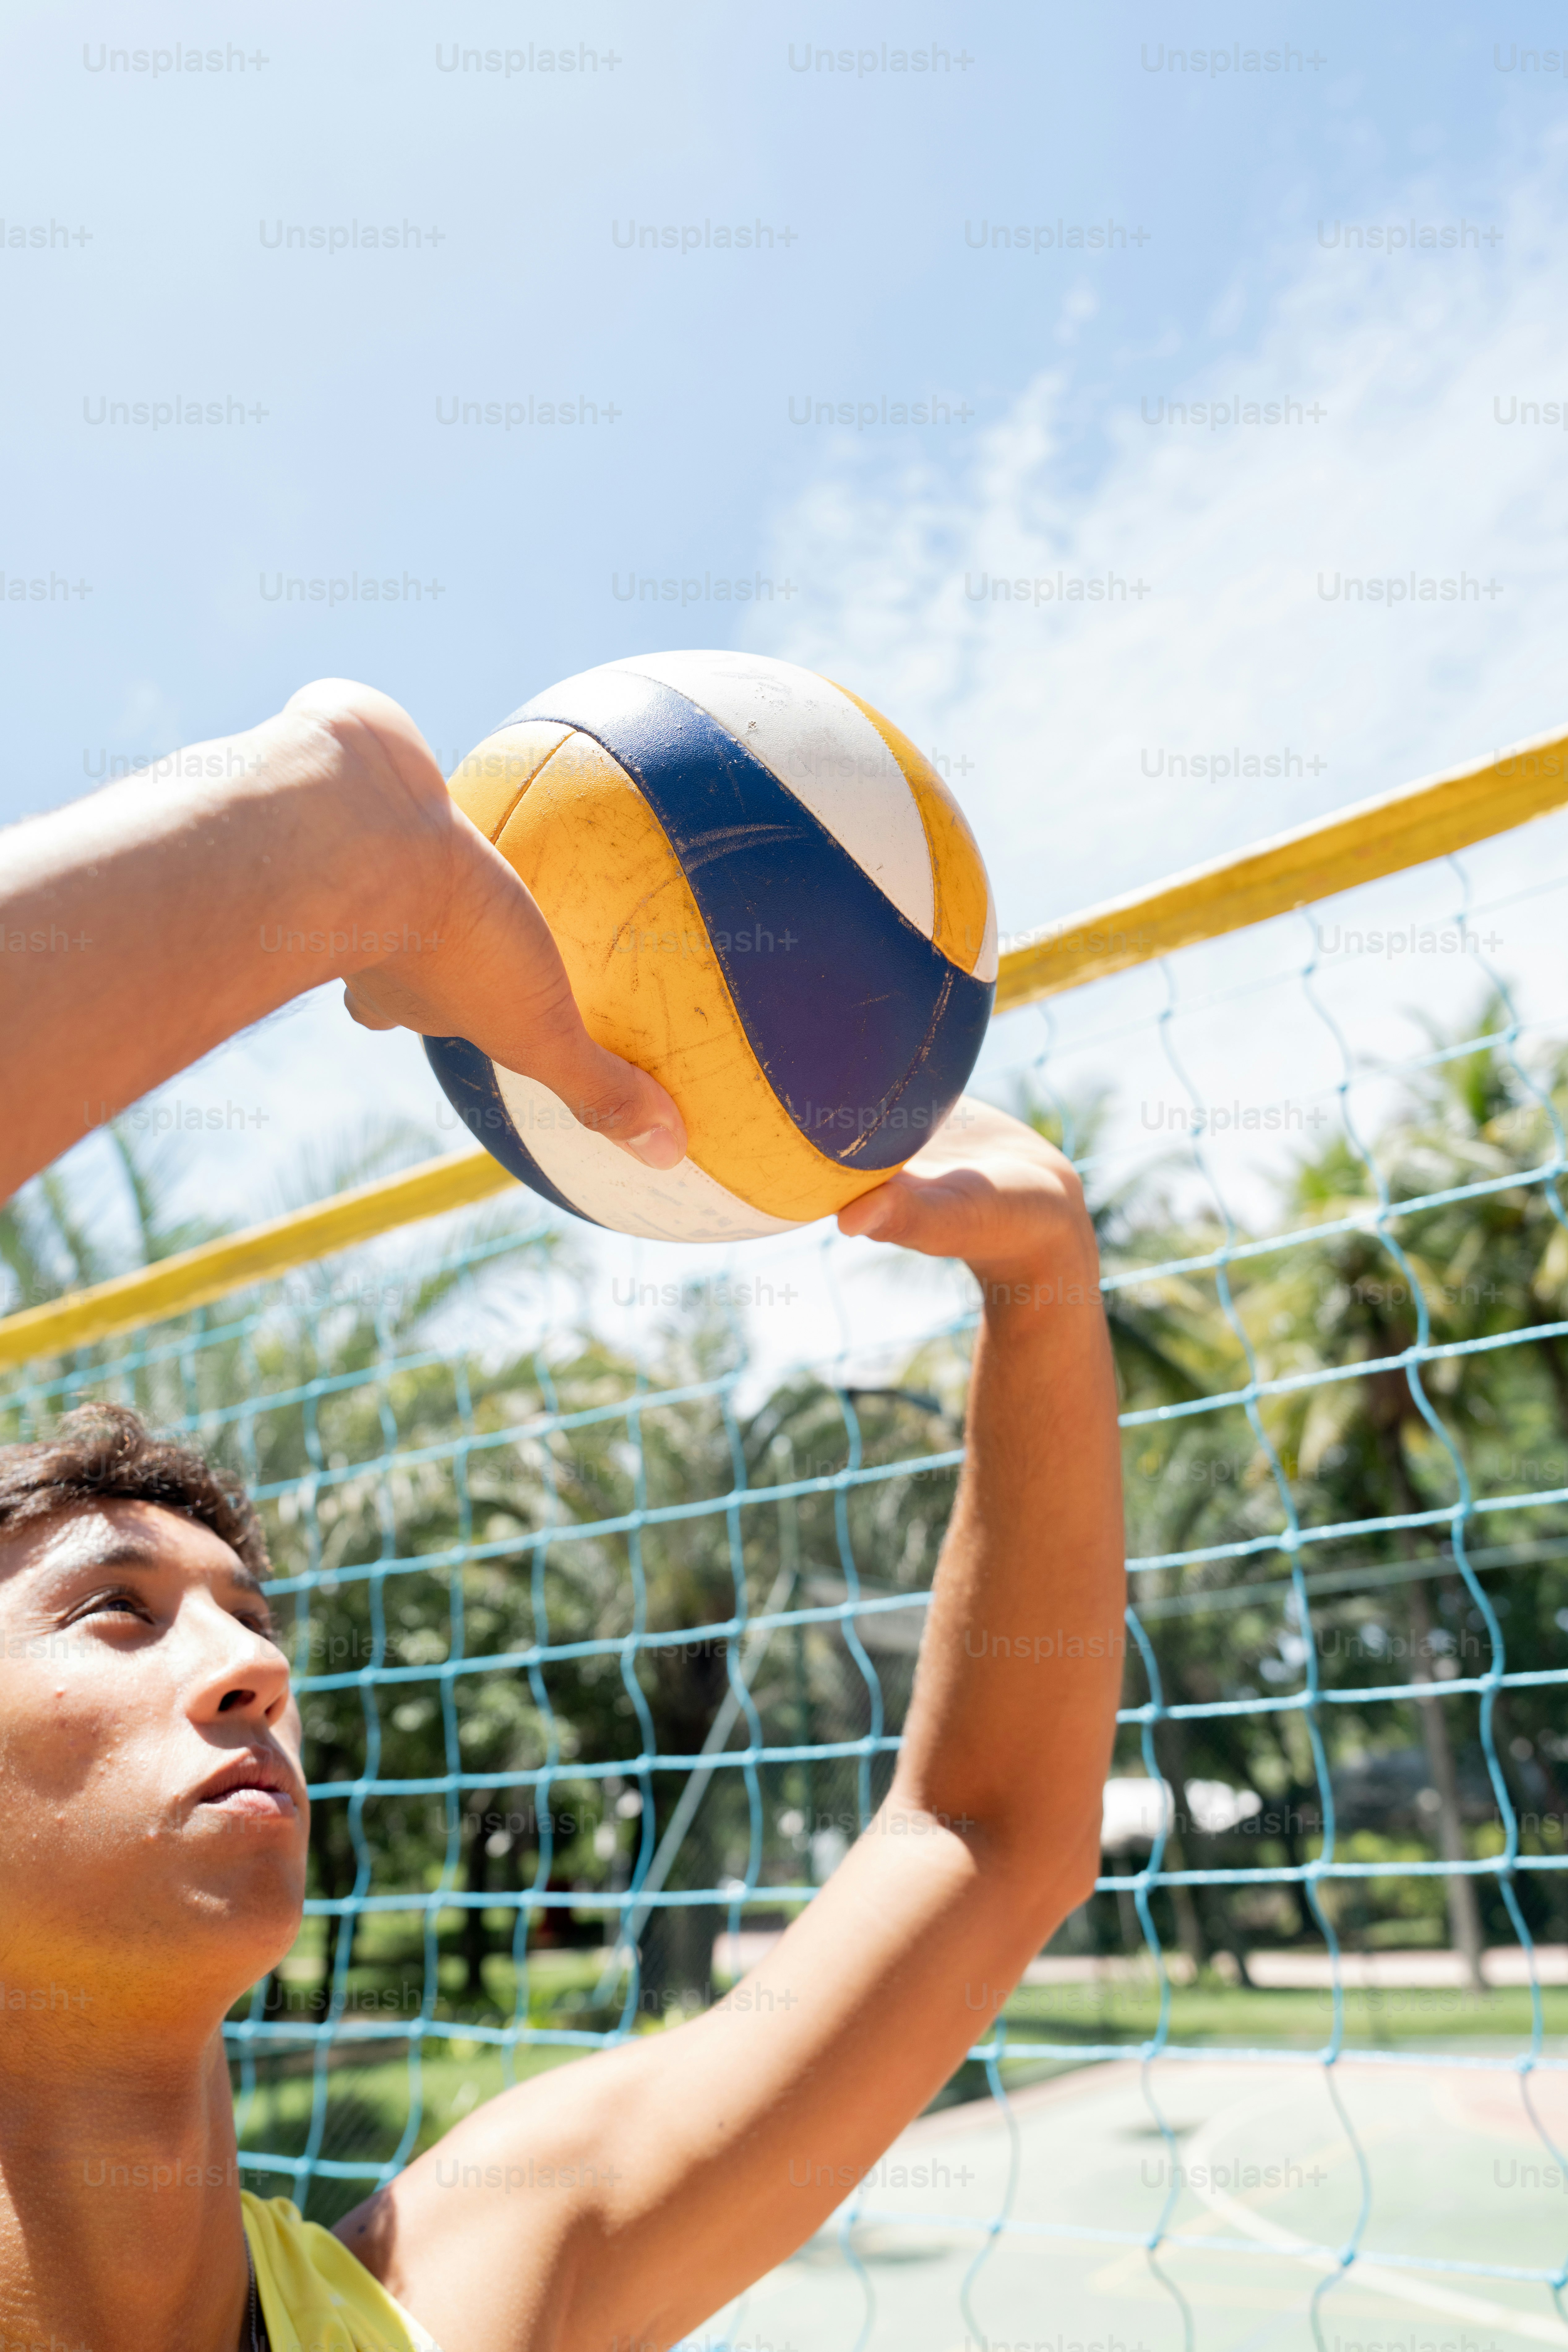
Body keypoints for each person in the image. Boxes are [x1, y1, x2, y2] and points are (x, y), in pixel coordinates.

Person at [0, 682, 1125, 2352]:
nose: (249, 1664)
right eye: (117, 1607)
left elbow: (981, 1840)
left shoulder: (444, 2300)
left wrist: (1043, 1292)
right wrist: (325, 839)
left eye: (253, 1611)